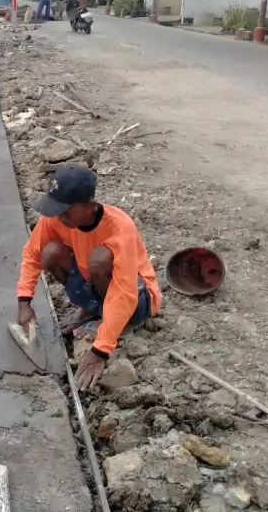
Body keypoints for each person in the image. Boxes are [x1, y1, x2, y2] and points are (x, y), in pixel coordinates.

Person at [15, 164, 161, 391]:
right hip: (97, 284)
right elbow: (32, 255)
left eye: (66, 212)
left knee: (99, 259)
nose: (59, 218)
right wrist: (24, 301)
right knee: (51, 252)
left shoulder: (119, 228)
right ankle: (93, 309)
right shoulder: (56, 218)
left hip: (138, 299)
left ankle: (115, 322)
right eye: (56, 210)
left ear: (89, 206)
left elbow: (124, 292)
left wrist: (100, 351)